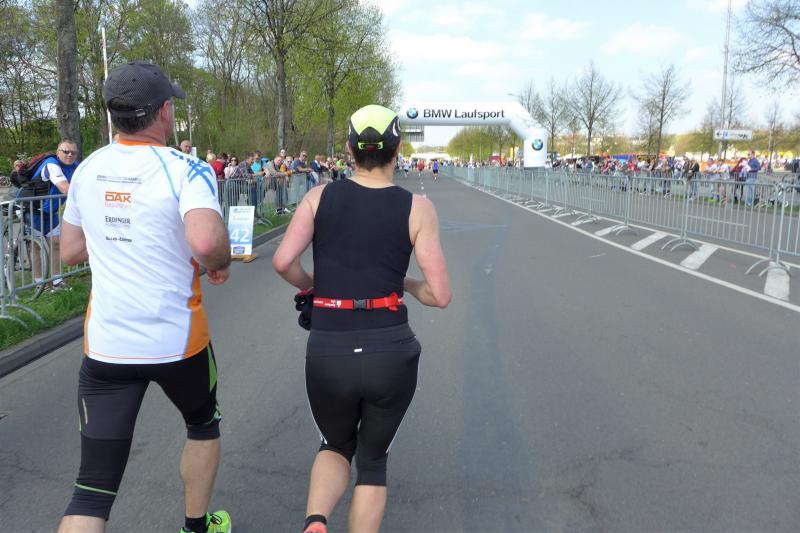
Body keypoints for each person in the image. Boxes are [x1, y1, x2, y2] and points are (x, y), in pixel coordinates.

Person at [57, 60, 232, 533]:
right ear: (165, 112)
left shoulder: (88, 169)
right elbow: (206, 243)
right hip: (177, 342)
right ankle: (197, 527)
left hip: (108, 346)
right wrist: (219, 261)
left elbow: (69, 251)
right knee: (203, 424)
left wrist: (117, 238)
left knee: (92, 488)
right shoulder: (187, 168)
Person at [272, 104, 451, 533]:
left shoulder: (319, 197)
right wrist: (404, 284)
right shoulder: (417, 208)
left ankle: (316, 521)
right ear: (398, 149)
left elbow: (282, 262)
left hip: (330, 346)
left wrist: (315, 287)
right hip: (389, 348)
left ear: (350, 150)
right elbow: (440, 295)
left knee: (334, 445)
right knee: (372, 462)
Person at [18, 139, 80, 290]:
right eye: (66, 151)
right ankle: (39, 283)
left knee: (56, 244)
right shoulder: (51, 164)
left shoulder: (75, 166)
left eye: (73, 152)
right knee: (36, 247)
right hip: (31, 209)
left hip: (50, 211)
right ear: (58, 152)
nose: (70, 155)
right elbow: (65, 188)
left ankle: (57, 281)